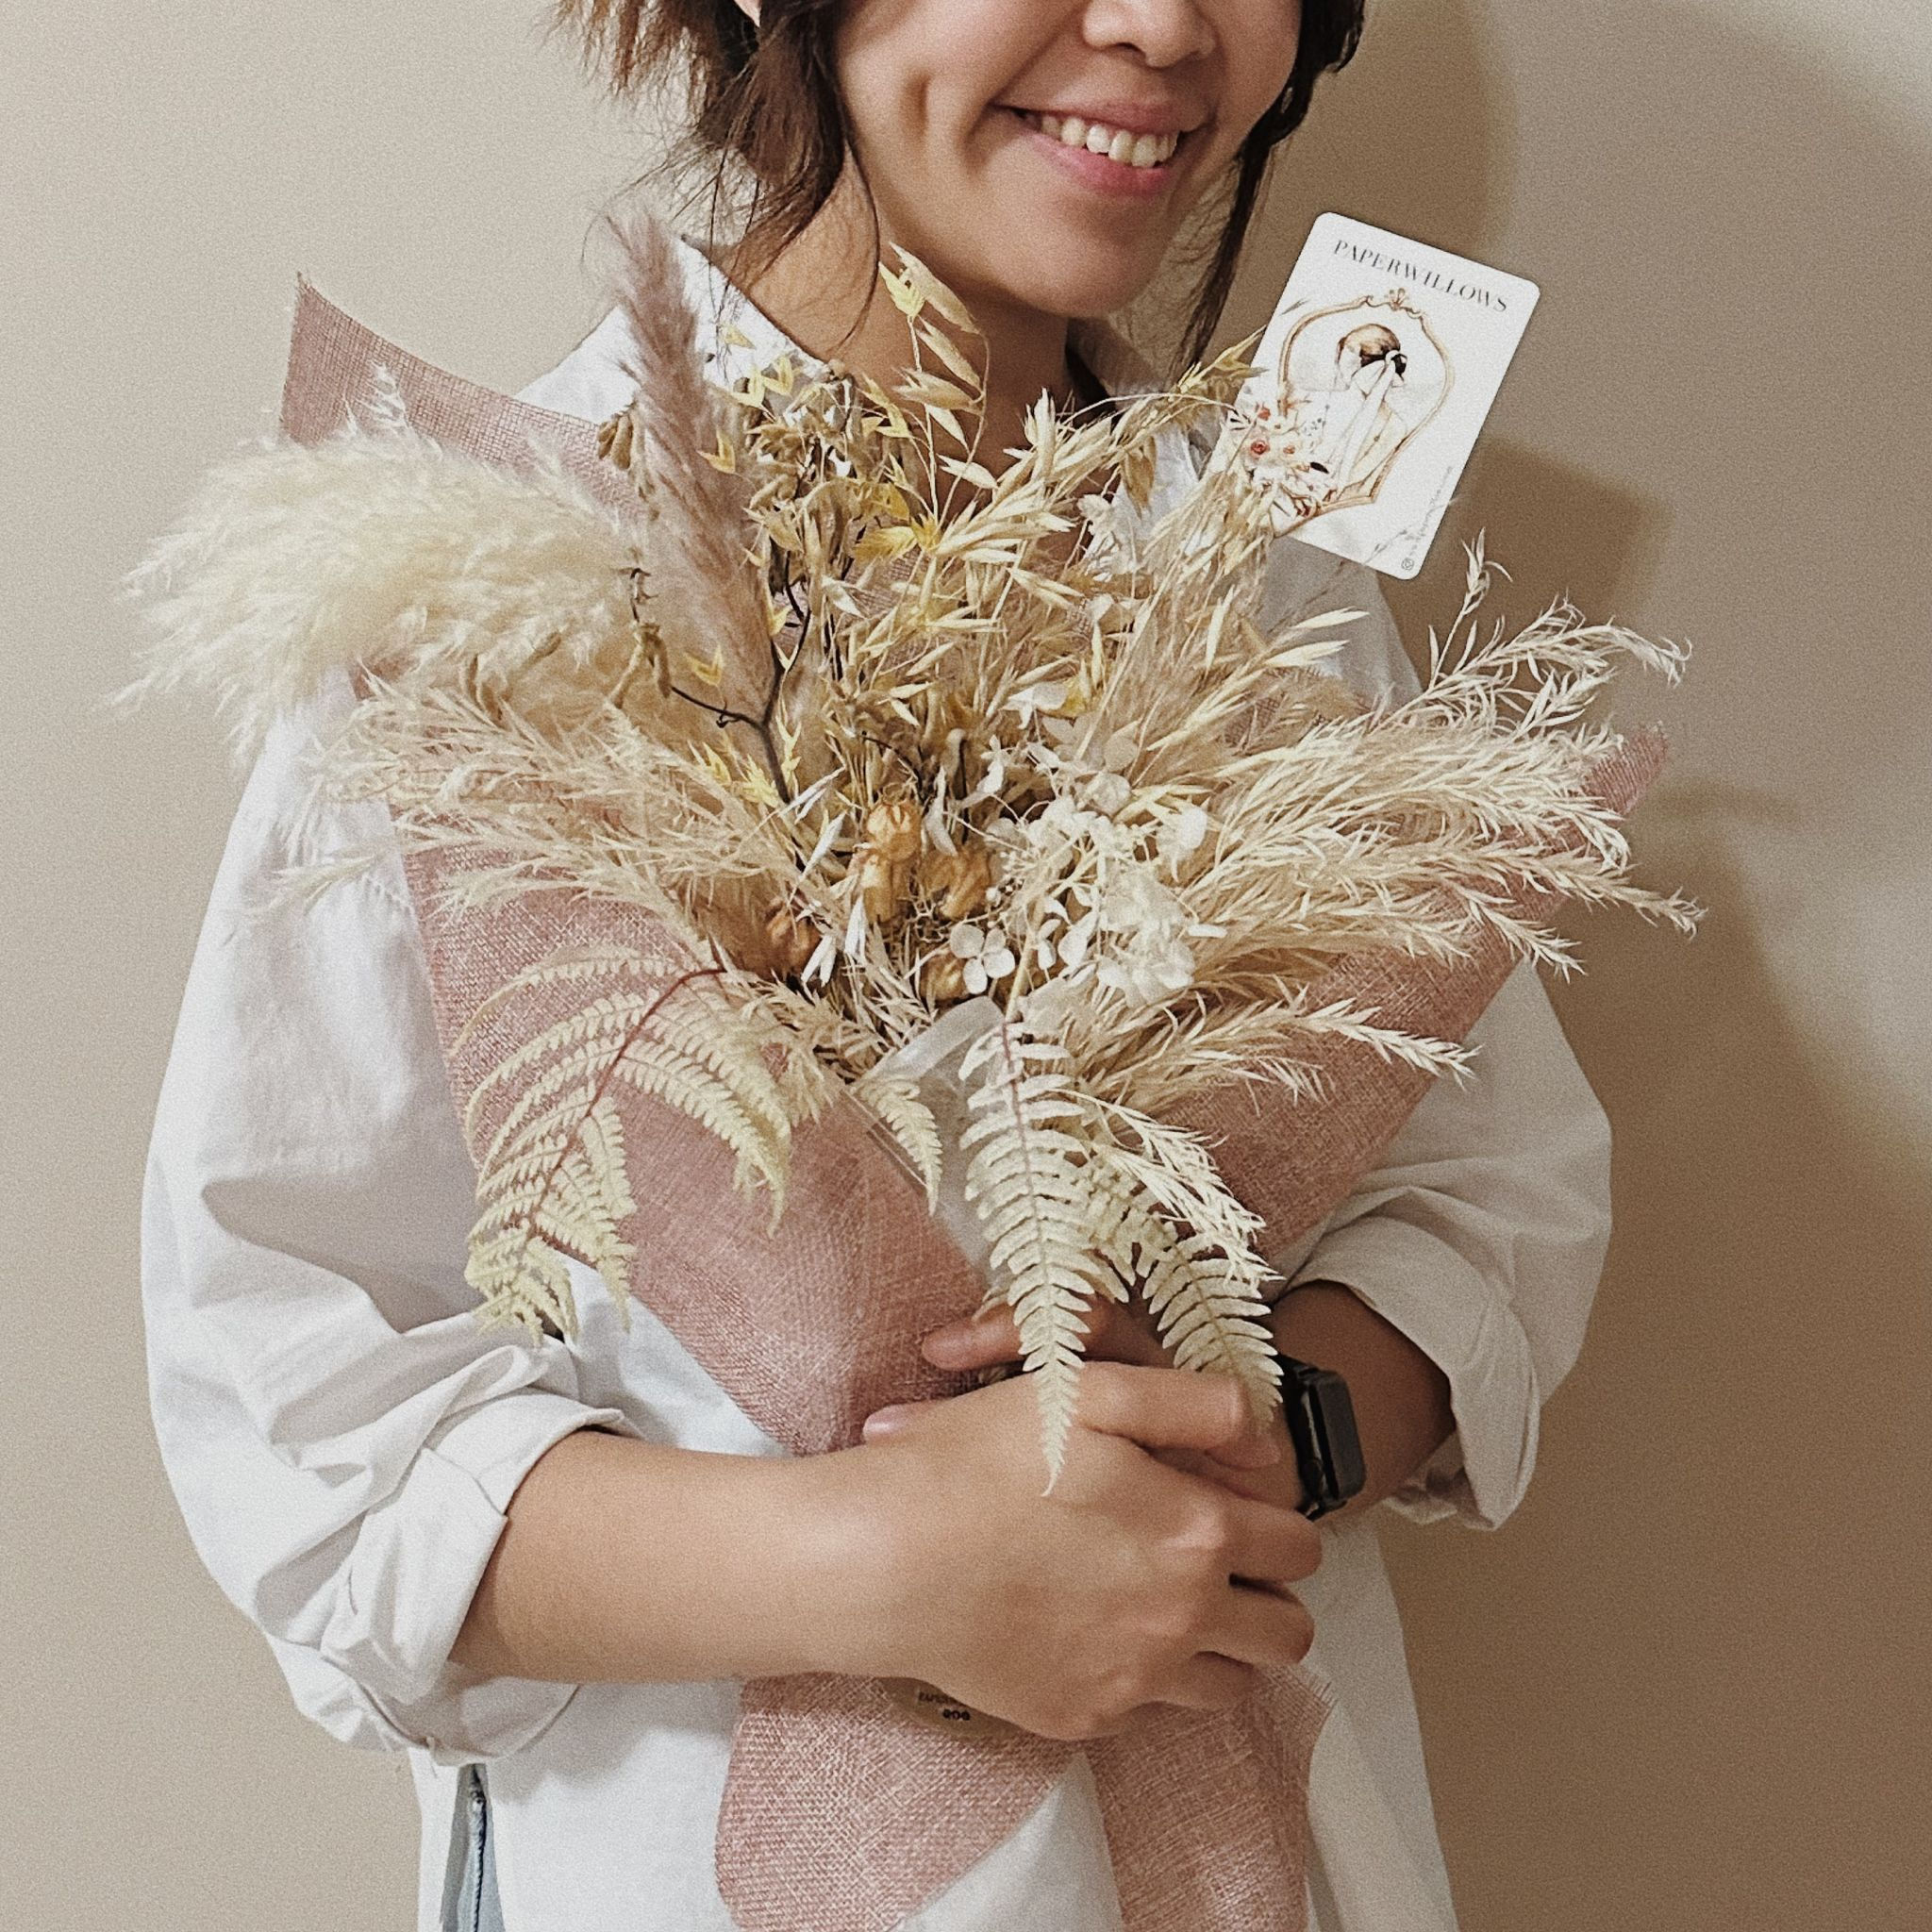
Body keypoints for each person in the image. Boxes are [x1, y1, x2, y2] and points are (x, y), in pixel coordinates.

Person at [141, 4, 1615, 1928]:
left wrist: (1268, 1424)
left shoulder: (1275, 580)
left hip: (1261, 1843)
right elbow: (296, 1392)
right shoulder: (489, 579)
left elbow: (1487, 1188)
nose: (1163, 25)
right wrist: (877, 1560)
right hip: (676, 1858)